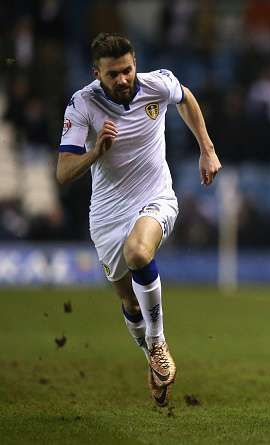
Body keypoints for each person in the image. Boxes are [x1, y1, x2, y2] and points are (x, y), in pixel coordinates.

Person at [56, 33, 221, 406]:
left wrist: (206, 149)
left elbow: (186, 98)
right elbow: (64, 172)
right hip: (107, 214)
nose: (123, 79)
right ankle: (152, 358)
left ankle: (158, 342)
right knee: (130, 304)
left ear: (135, 64)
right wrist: (96, 151)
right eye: (113, 74)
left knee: (139, 254)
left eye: (127, 70)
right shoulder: (81, 105)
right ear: (96, 73)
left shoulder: (156, 83)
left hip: (155, 197)